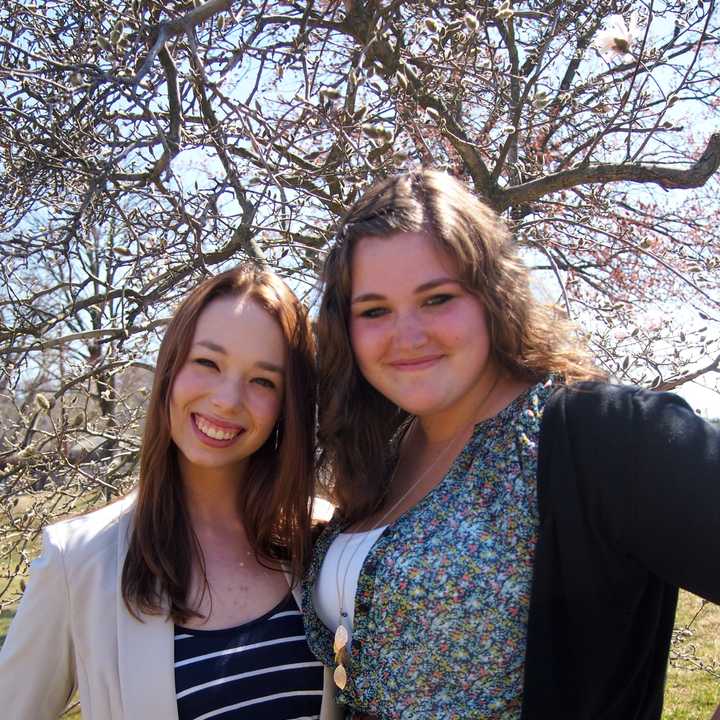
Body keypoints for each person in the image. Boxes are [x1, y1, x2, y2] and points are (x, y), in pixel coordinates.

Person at [302, 169, 720, 720]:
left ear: (492, 295)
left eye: (436, 298)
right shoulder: (383, 452)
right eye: (374, 310)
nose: (407, 335)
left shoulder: (596, 433)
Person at [0, 266, 338, 720]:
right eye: (207, 363)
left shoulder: (323, 540)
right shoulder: (79, 561)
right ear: (170, 371)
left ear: (287, 405)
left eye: (263, 380)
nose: (226, 399)